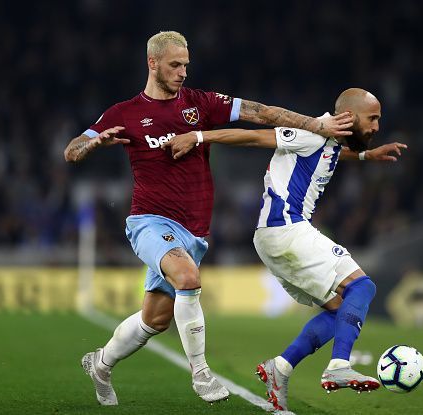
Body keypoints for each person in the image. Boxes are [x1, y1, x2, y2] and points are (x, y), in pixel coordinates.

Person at [63, 30, 356, 407]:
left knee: (155, 320)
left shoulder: (201, 104)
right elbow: (71, 151)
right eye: (174, 65)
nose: (183, 72)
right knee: (188, 278)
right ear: (152, 63)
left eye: (186, 64)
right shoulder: (124, 113)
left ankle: (100, 364)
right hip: (149, 221)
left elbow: (261, 113)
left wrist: (317, 125)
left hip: (194, 231)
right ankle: (201, 374)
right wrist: (94, 143)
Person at [161, 88, 407, 411]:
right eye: (372, 118)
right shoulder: (311, 132)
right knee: (362, 286)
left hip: (275, 236)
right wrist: (197, 136)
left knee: (339, 310)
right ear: (348, 116)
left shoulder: (328, 141)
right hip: (286, 229)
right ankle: (339, 365)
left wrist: (364, 156)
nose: (377, 127)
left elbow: (329, 152)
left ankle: (281, 368)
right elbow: (254, 138)